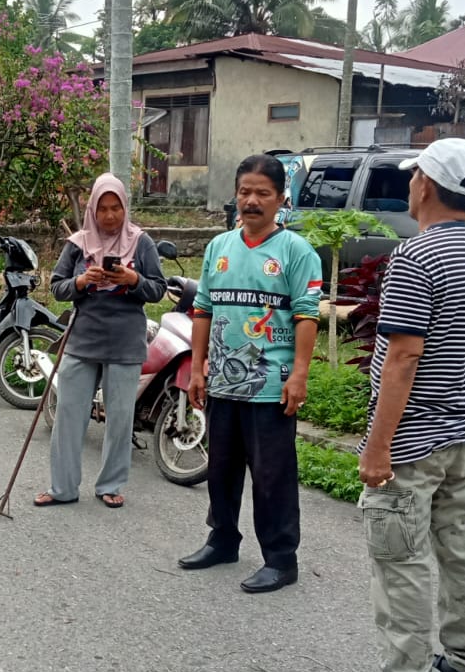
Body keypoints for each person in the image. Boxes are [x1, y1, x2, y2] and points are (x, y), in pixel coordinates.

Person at [337, 138, 465, 672]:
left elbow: (403, 356)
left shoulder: (417, 256)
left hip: (413, 439)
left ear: (426, 185)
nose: (411, 183)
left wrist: (377, 445)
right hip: (463, 433)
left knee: (401, 555)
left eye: (414, 175)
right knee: (458, 544)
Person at [176, 154, 321, 594]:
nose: (251, 201)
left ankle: (281, 559)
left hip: (271, 387)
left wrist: (299, 375)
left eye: (262, 193)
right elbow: (203, 310)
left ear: (280, 199)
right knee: (221, 471)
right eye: (244, 192)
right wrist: (197, 367)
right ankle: (222, 540)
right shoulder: (218, 248)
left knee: (272, 477)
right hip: (222, 381)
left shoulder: (296, 252)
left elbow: (307, 316)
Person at [37, 174, 167, 510]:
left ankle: (111, 485)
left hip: (125, 342)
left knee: (120, 419)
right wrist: (81, 281)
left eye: (116, 208)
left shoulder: (141, 242)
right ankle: (62, 487)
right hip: (83, 340)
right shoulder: (78, 243)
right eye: (103, 209)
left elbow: (157, 289)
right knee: (68, 415)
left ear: (125, 208)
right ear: (92, 210)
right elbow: (57, 287)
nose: (110, 216)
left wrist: (133, 278)